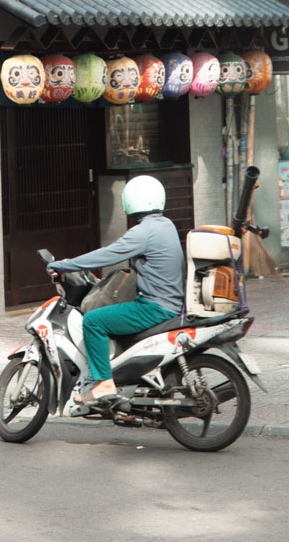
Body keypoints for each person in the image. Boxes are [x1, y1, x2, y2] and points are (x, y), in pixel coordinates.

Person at [48, 174, 183, 406]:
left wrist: (63, 264)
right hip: (172, 303)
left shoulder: (143, 232)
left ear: (130, 202)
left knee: (93, 321)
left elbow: (107, 254)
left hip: (154, 307)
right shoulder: (166, 225)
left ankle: (104, 384)